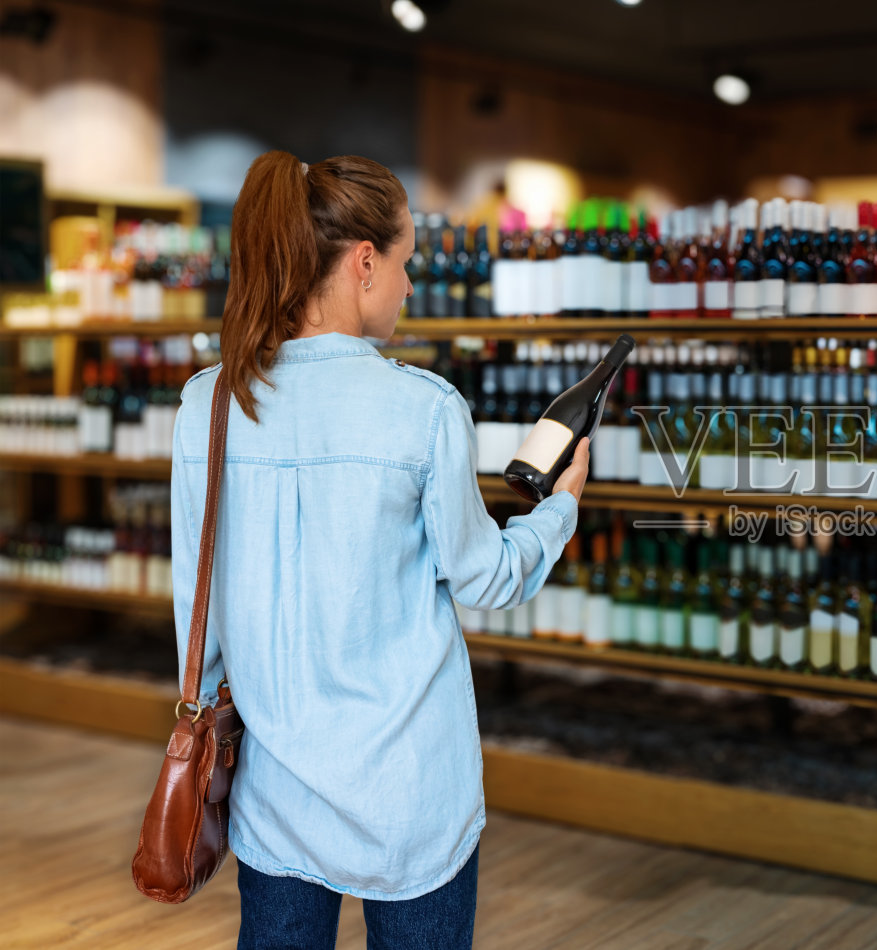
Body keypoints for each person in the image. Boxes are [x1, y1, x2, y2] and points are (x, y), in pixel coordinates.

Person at [171, 151, 588, 950]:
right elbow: (487, 577)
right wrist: (562, 504)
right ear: (364, 263)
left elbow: (200, 608)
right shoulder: (421, 409)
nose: (406, 286)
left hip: (276, 792)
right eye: (404, 265)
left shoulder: (209, 403)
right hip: (411, 795)